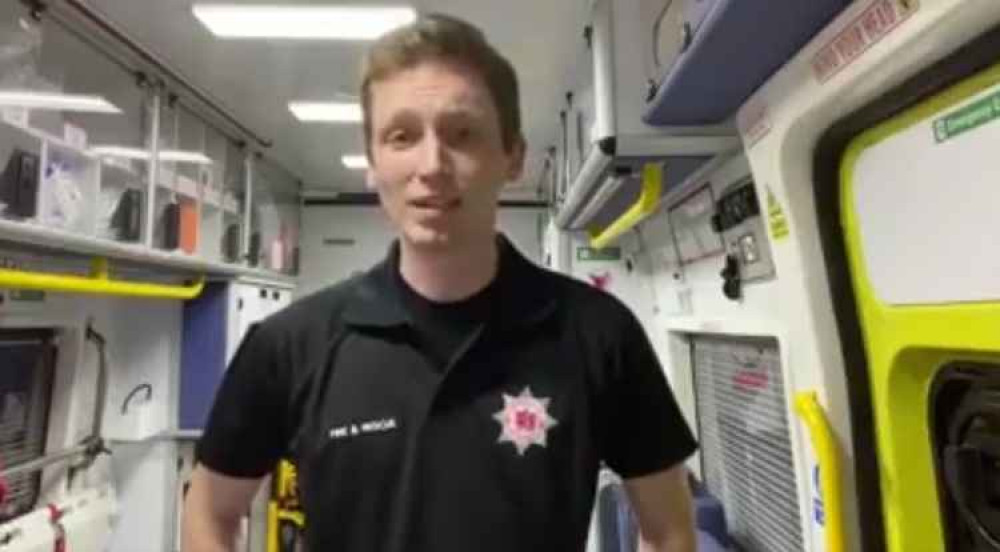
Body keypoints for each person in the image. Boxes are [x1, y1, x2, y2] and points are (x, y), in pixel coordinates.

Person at [182, 13, 697, 552]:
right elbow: (210, 510)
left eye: (463, 134)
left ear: (512, 156)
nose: (431, 164)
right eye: (402, 136)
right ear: (373, 163)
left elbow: (669, 530)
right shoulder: (288, 346)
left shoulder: (599, 336)